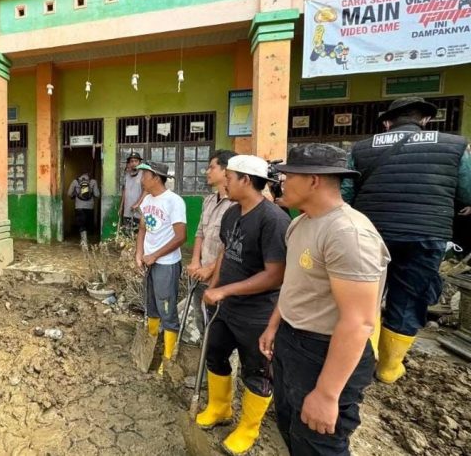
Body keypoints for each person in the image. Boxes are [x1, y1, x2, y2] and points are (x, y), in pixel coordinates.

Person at [261, 143, 390, 455]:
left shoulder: (348, 234)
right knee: (292, 428)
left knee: (318, 444)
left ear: (313, 180)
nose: (280, 183)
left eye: (287, 176)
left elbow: (358, 322)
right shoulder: (299, 224)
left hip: (326, 352)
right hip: (293, 341)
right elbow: (295, 284)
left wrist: (328, 393)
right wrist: (274, 325)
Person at [343, 96, 471, 384]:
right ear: (424, 120)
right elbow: (467, 193)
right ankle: (388, 368)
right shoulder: (454, 145)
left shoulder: (363, 148)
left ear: (388, 122)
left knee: (365, 297)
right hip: (425, 235)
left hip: (371, 234)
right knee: (409, 298)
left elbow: (347, 195)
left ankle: (361, 359)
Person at [198, 155, 290, 456]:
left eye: (230, 176)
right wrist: (213, 288)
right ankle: (219, 408)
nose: (225, 179)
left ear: (246, 181)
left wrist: (225, 290)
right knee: (215, 354)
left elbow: (275, 275)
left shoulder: (273, 220)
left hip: (258, 313)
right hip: (225, 307)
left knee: (257, 370)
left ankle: (248, 429)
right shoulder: (232, 212)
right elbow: (226, 250)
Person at [134, 161, 186, 373]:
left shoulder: (174, 202)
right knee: (152, 306)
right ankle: (152, 347)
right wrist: (139, 253)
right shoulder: (147, 200)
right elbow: (142, 229)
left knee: (167, 309)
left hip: (166, 263)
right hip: (149, 261)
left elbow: (181, 236)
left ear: (156, 177)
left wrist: (155, 255)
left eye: (144, 175)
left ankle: (167, 359)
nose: (141, 179)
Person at [186, 149, 237, 285]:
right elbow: (200, 233)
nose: (207, 172)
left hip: (222, 278)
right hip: (201, 273)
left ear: (226, 170)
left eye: (212, 167)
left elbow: (232, 245)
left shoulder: (236, 204)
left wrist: (210, 269)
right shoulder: (209, 200)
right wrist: (195, 261)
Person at [68, 171, 100, 247]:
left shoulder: (75, 181)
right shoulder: (93, 181)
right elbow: (97, 194)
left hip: (79, 207)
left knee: (81, 224)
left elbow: (69, 193)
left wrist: (74, 195)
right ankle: (86, 239)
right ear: (89, 175)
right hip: (89, 207)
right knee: (87, 224)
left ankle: (83, 240)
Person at [118, 152, 145, 235]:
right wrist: (121, 206)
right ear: (129, 163)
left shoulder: (143, 174)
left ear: (139, 162)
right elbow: (124, 191)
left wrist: (137, 204)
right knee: (127, 235)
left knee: (138, 235)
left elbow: (146, 191)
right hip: (127, 211)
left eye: (136, 161)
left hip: (139, 212)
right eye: (131, 161)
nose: (133, 163)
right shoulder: (127, 175)